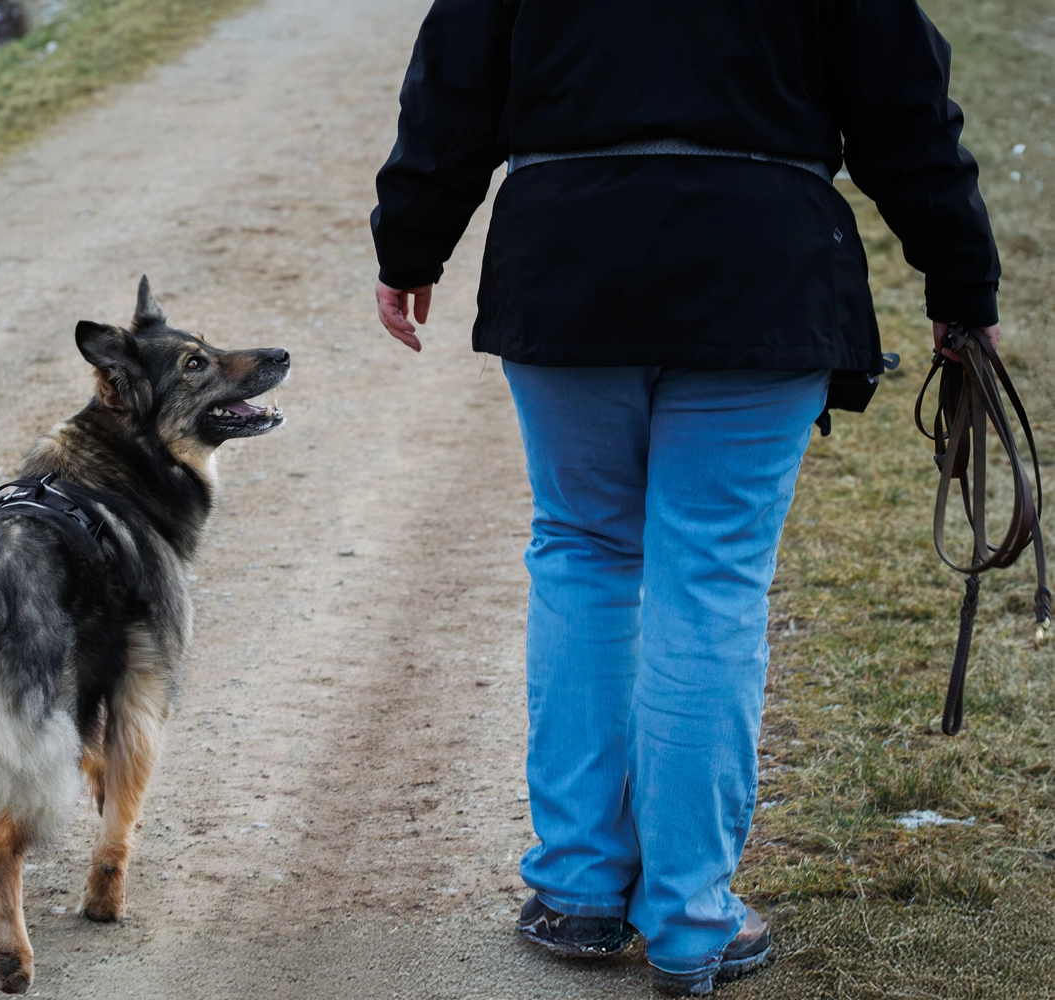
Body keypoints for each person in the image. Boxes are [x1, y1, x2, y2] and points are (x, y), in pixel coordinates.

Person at [370, 0, 1001, 994]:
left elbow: (453, 85)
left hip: (568, 262)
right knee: (708, 580)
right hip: (761, 270)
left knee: (584, 552)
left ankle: (579, 887)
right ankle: (692, 918)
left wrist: (410, 243)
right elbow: (903, 105)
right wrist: (962, 282)